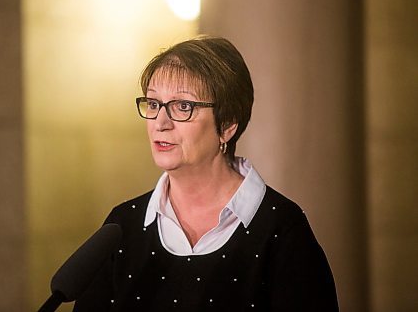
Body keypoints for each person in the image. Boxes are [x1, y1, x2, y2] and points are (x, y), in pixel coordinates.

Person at [73, 36, 338, 311]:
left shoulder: (281, 228)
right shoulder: (121, 226)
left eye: (182, 106)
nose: (160, 123)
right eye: (153, 104)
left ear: (227, 124)